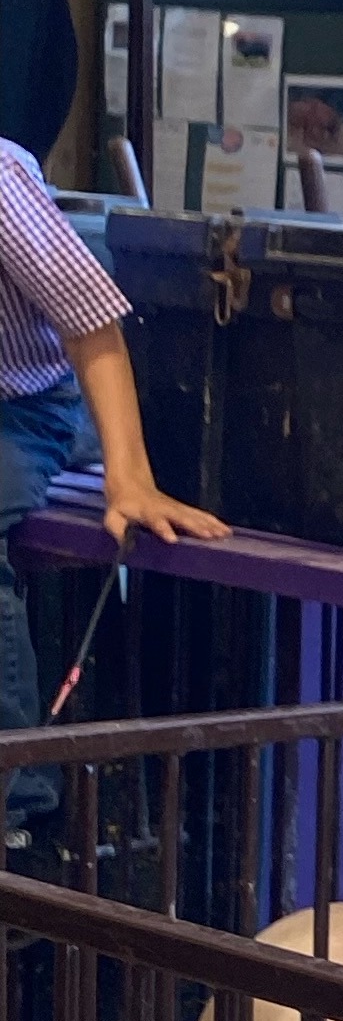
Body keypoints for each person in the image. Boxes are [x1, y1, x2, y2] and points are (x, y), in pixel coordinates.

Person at [0, 135, 227, 849]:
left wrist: (129, 477)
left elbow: (91, 322)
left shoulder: (0, 178)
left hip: (22, 403)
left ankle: (17, 795)